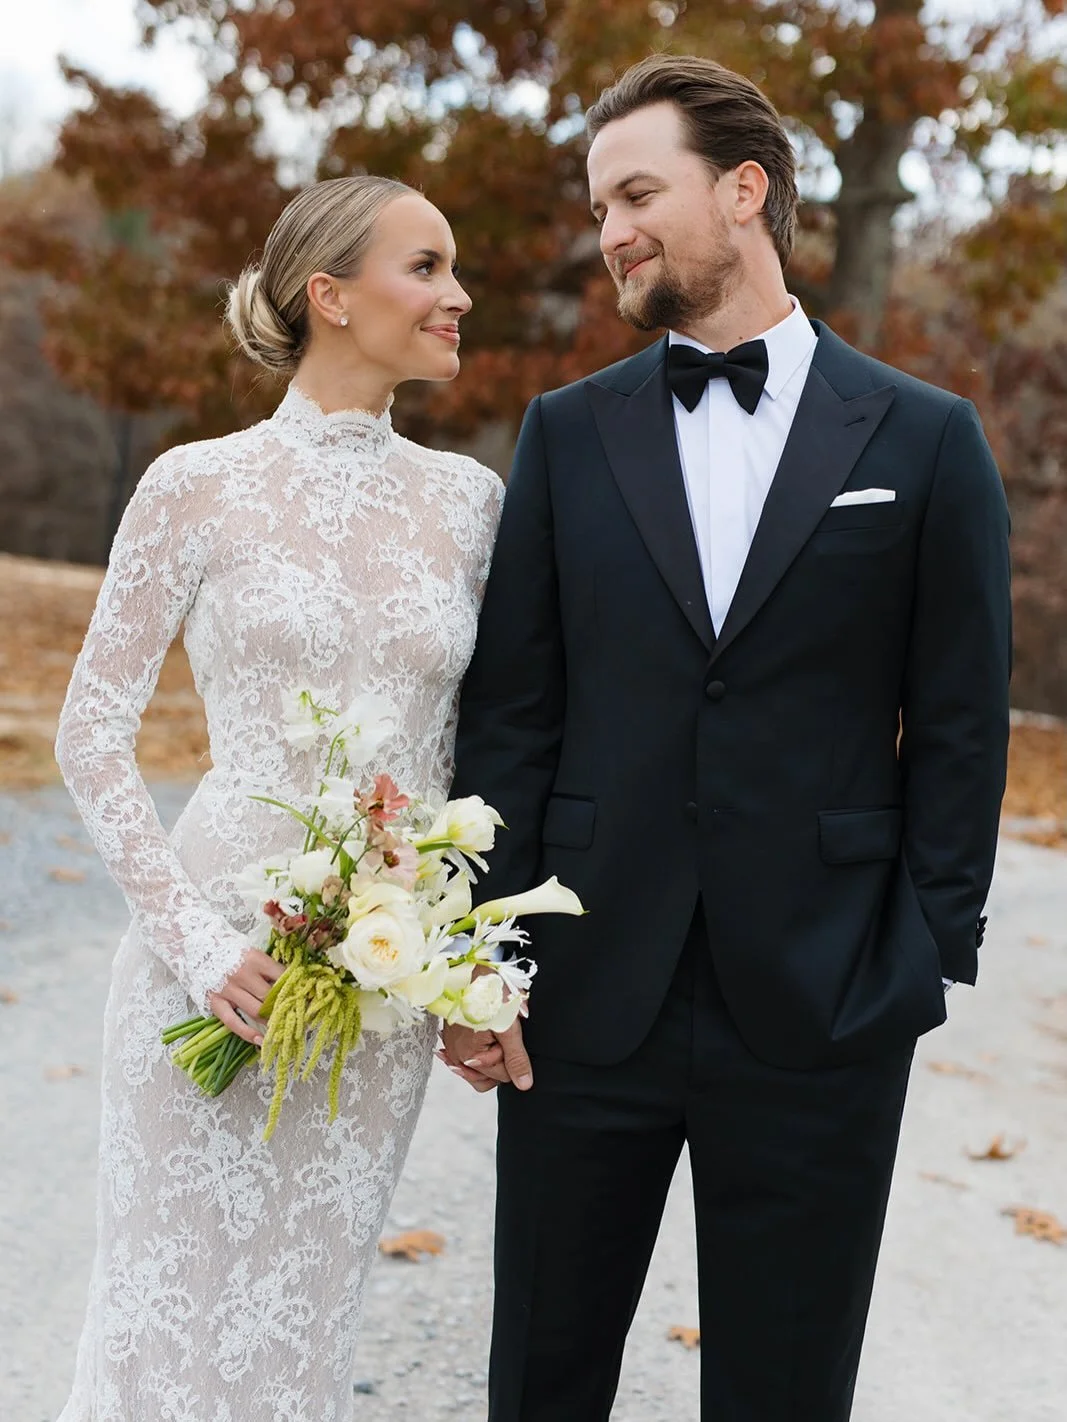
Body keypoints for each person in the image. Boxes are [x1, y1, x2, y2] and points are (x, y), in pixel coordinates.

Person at [441, 54, 1012, 1421]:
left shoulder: (926, 440)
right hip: (585, 988)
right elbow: (514, 711)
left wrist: (918, 951)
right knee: (541, 1375)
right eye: (597, 207)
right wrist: (481, 952)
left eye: (636, 191)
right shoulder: (566, 436)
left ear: (742, 190)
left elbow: (955, 717)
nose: (610, 229)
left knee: (783, 1391)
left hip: (820, 1002)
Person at [54, 176, 502, 1420]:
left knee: (299, 1326)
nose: (457, 295)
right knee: (159, 1313)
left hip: (379, 979)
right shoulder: (194, 483)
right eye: (426, 267)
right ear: (331, 296)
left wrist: (469, 969)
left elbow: (472, 764)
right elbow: (89, 732)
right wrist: (194, 945)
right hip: (210, 961)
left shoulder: (472, 505)